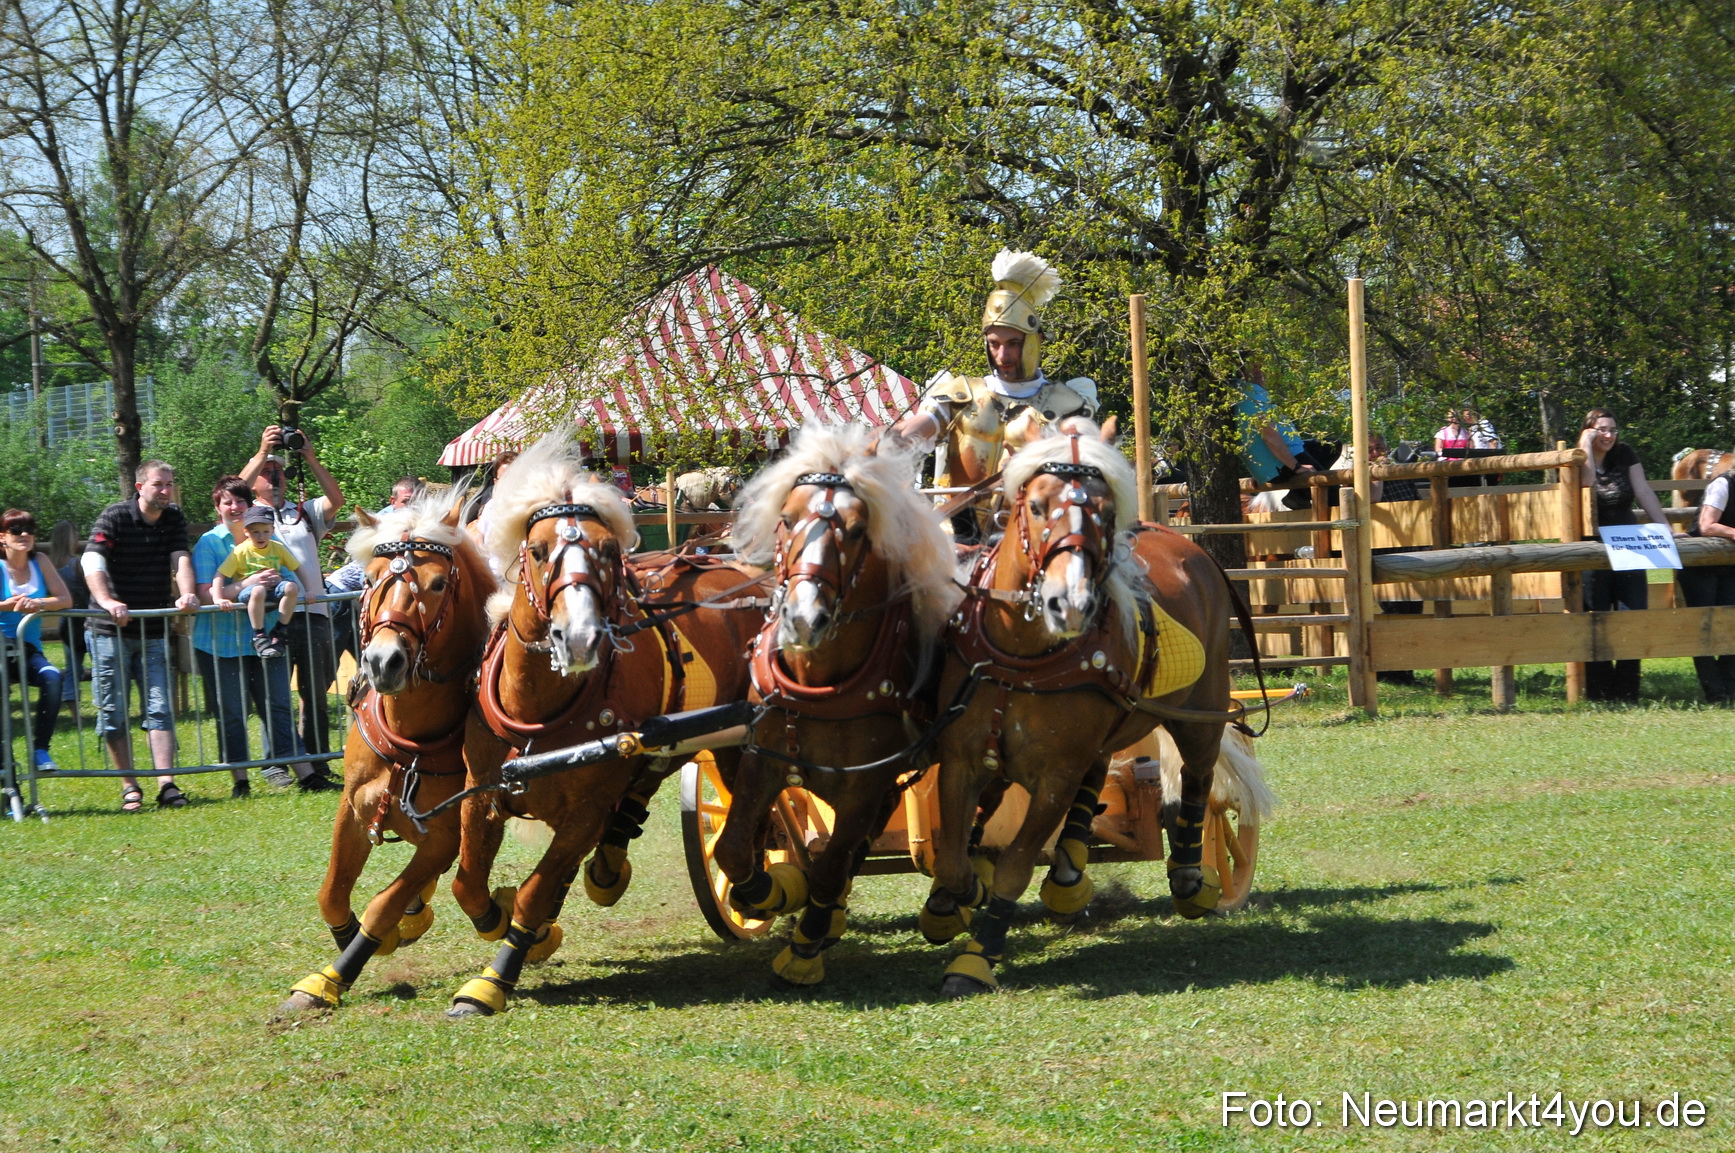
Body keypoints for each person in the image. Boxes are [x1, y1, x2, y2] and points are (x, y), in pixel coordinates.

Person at [891, 249, 1100, 540]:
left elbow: (1085, 469)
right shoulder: (959, 394)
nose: (1002, 355)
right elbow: (913, 431)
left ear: (1036, 341)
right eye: (994, 343)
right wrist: (882, 442)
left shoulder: (1068, 404)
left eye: (1013, 343)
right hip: (954, 539)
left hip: (1031, 543)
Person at [192, 477, 327, 795]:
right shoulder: (209, 543)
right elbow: (205, 595)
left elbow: (289, 576)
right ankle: (240, 781)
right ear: (218, 508)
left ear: (250, 505)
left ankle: (306, 775)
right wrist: (246, 583)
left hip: (268, 639)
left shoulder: (269, 537)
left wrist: (296, 587)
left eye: (241, 501)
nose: (235, 507)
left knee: (279, 705)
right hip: (221, 643)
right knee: (232, 713)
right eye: (227, 502)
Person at [83, 460, 200, 811]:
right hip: (109, 632)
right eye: (158, 484)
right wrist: (107, 601)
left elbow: (181, 558)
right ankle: (130, 786)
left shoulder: (173, 516)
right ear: (139, 487)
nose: (166, 490)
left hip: (153, 631)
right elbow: (91, 561)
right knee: (113, 712)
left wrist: (187, 594)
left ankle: (167, 784)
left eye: (169, 484)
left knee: (160, 709)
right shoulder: (115, 516)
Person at [240, 426, 342, 774]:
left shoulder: (304, 512)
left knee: (316, 694)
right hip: (272, 617)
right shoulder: (247, 517)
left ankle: (318, 763)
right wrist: (261, 452)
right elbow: (234, 491)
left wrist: (309, 457)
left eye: (279, 471)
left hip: (313, 613)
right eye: (267, 472)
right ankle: (277, 765)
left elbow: (336, 500)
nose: (274, 477)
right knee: (275, 695)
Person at [1578, 409, 1672, 702]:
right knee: (1597, 614)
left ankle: (1628, 690)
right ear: (1589, 430)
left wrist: (1664, 529)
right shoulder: (1578, 457)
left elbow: (1643, 491)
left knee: (1633, 612)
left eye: (1613, 430)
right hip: (1593, 546)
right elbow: (1586, 484)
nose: (1609, 436)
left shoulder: (1625, 453)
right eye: (1601, 430)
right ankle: (1599, 691)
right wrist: (1585, 445)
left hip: (1628, 542)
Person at [0, 510, 72, 771]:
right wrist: (6, 606)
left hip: (29, 649)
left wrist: (38, 602)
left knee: (53, 677)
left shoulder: (40, 560)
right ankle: (5, 761)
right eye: (16, 530)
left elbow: (65, 600)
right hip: (1, 646)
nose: (25, 535)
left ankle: (40, 750)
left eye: (29, 530)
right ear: (2, 537)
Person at [1235, 367, 1338, 510]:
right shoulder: (1250, 395)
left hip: (1287, 454)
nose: (1260, 372)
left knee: (1332, 446)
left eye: (1260, 366)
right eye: (1253, 368)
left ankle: (1298, 495)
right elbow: (1269, 436)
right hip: (1282, 464)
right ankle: (1300, 496)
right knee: (1334, 494)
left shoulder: (1244, 392)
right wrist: (1296, 466)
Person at [211, 505, 305, 659]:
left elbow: (298, 568)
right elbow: (219, 574)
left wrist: (310, 590)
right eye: (255, 532)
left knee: (291, 587)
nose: (261, 536)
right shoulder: (240, 551)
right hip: (248, 592)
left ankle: (280, 630)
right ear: (246, 532)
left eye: (266, 531)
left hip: (272, 590)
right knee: (258, 589)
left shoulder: (278, 547)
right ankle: (259, 634)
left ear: (272, 531)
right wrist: (218, 599)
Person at [1677, 464, 1735, 703]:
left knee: (1731, 626)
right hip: (1700, 565)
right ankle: (1715, 692)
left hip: (1729, 566)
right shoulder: (1723, 484)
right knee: (1704, 628)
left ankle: (1730, 688)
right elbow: (1707, 525)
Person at [48, 520, 88, 682]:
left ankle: (71, 698)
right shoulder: (77, 563)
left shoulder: (51, 566)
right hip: (87, 621)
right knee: (102, 666)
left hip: (67, 623)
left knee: (72, 669)